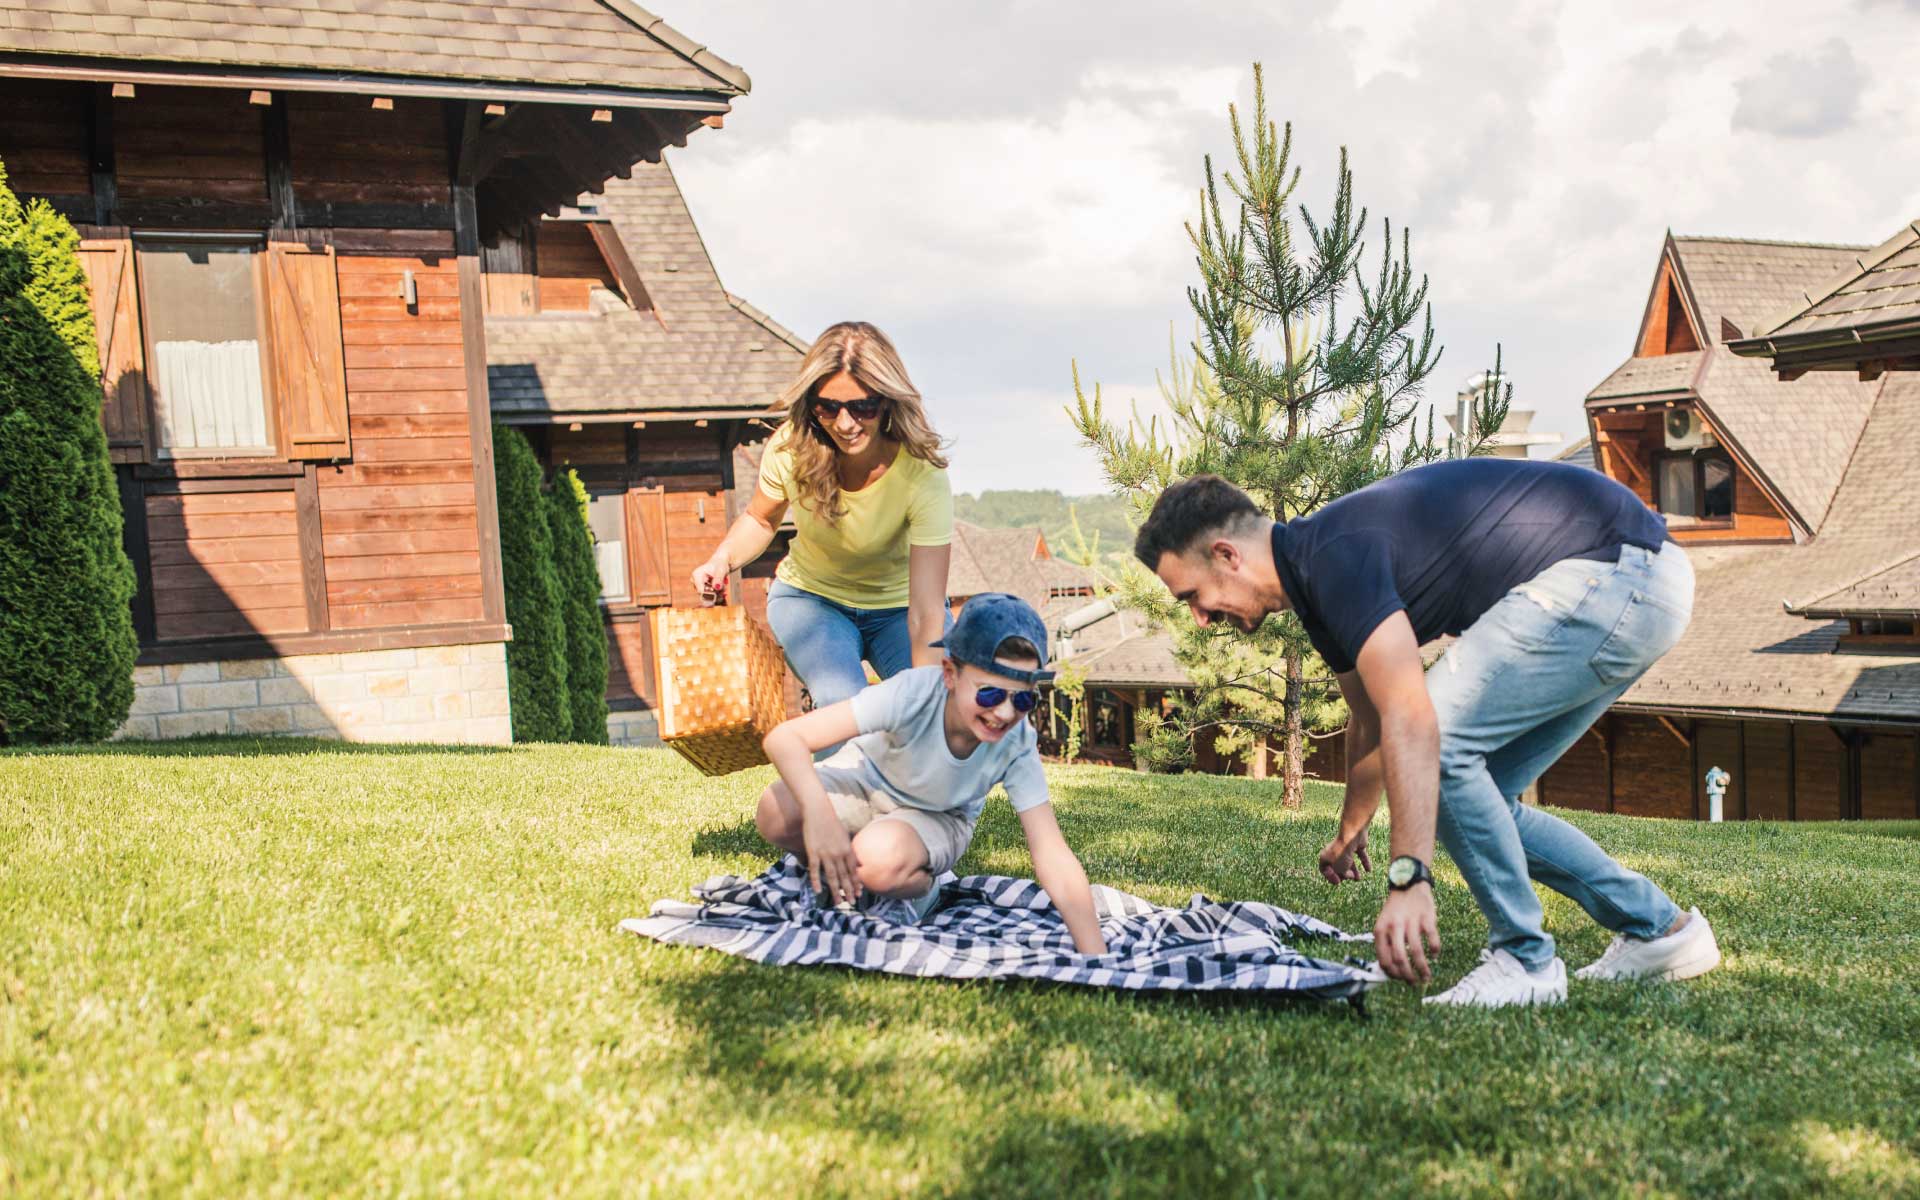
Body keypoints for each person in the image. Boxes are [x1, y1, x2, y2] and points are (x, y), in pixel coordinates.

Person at [1133, 463, 1722, 1008]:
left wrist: (1408, 876)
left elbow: (1414, 721)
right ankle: (1661, 931)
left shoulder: (1336, 557)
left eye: (1192, 598)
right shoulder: (1316, 579)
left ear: (1226, 554)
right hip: (1637, 583)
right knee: (1477, 793)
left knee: (1443, 748)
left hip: (1616, 571)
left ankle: (1526, 960)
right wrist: (1351, 827)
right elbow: (1370, 716)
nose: (1200, 619)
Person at [753, 593, 1107, 956]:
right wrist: (820, 818)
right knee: (776, 810)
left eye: (1022, 700)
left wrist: (1095, 956)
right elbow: (786, 739)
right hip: (867, 780)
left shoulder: (1016, 743)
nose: (1003, 713)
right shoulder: (913, 692)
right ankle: (838, 869)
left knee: (875, 860)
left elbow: (1051, 852)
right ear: (951, 674)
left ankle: (920, 886)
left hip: (938, 817)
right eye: (989, 694)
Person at [693, 322, 952, 732]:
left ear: (887, 400)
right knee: (840, 703)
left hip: (900, 608)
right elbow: (761, 519)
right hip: (813, 602)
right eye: (829, 407)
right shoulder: (790, 449)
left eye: (862, 407)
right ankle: (836, 795)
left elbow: (926, 610)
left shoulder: (920, 473)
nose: (845, 423)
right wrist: (722, 559)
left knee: (937, 706)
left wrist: (930, 698)